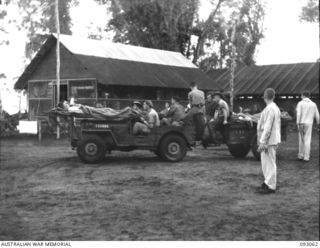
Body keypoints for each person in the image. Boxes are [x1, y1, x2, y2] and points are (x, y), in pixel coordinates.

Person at [257, 88, 281, 194]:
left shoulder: (271, 109)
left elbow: (268, 126)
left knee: (269, 163)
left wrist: (263, 141)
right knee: (266, 163)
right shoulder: (272, 108)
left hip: (269, 140)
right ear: (273, 96)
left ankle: (271, 186)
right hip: (270, 139)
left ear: (265, 97)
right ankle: (268, 182)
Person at [296, 90, 320, 162]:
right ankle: (306, 157)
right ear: (309, 96)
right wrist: (318, 124)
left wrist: (298, 122)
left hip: (301, 122)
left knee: (301, 139)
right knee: (307, 140)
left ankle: (300, 155)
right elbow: (317, 115)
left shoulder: (300, 103)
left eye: (301, 95)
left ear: (303, 95)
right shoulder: (313, 104)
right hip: (309, 123)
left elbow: (299, 114)